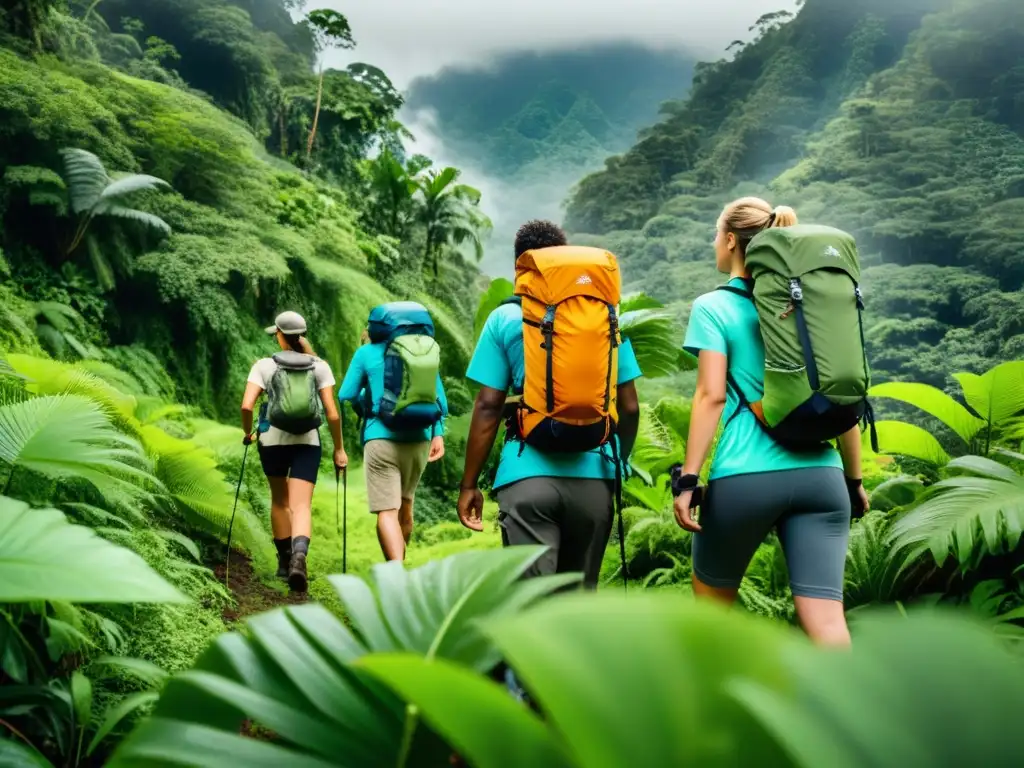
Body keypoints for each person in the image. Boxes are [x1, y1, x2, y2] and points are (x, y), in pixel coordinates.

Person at [674, 197, 869, 647]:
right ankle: (854, 713)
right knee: (827, 622)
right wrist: (853, 479)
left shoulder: (713, 307)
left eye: (714, 236)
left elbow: (711, 396)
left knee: (711, 615)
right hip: (823, 476)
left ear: (728, 240)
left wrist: (687, 481)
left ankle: (721, 713)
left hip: (747, 475)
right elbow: (843, 396)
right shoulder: (814, 305)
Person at [457, 219, 643, 590]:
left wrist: (469, 484)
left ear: (521, 269)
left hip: (527, 478)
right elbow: (631, 407)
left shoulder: (506, 317)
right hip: (595, 478)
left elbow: (489, 406)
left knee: (531, 603)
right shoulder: (604, 318)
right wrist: (619, 464)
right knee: (577, 605)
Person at [240, 311, 347, 593]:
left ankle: (285, 561)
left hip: (272, 441)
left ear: (279, 334)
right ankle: (300, 557)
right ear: (302, 336)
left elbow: (247, 407)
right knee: (301, 505)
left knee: (279, 501)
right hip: (307, 443)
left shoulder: (264, 366)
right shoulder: (319, 366)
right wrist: (339, 449)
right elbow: (333, 414)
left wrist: (247, 433)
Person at [337, 313, 448, 562]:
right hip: (419, 439)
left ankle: (396, 573)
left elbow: (346, 393)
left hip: (381, 438)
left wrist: (366, 402)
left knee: (387, 512)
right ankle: (400, 565)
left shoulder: (366, 353)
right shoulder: (424, 353)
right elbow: (441, 401)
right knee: (406, 505)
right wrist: (437, 433)